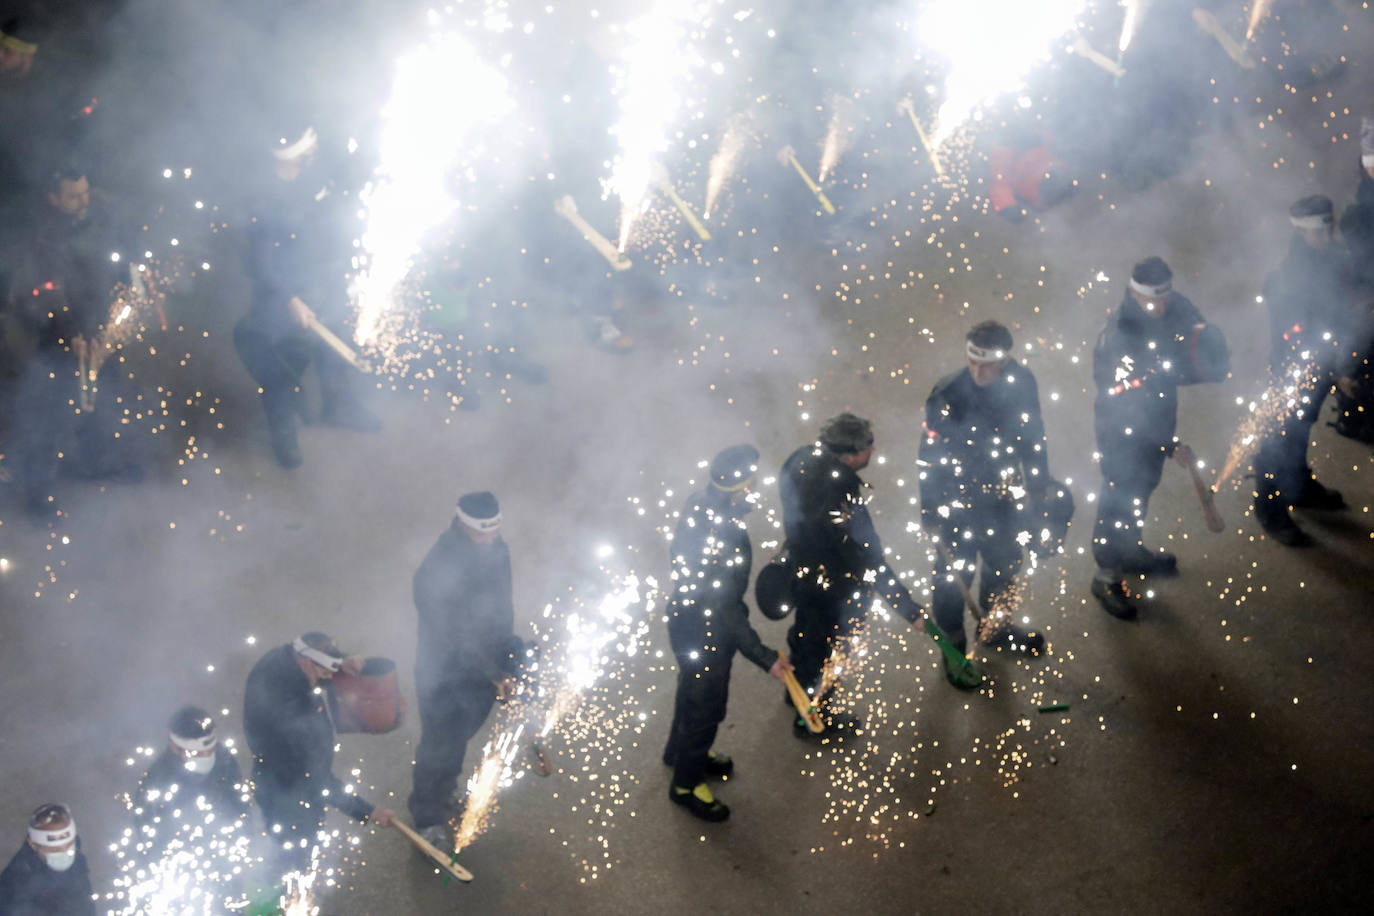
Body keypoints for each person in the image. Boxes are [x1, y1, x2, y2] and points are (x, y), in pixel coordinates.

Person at [780, 412, 974, 724]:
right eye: (867, 447)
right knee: (832, 647)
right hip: (834, 586)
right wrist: (908, 609)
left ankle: (797, 690)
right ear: (849, 456)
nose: (873, 451)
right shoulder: (839, 495)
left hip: (801, 572)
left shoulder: (799, 460)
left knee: (806, 632)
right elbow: (868, 560)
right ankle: (815, 715)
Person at [1090, 257, 1229, 618]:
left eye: (1165, 299)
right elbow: (1128, 404)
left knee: (1143, 487)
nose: (1162, 307)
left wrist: (1210, 356)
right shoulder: (1120, 337)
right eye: (1153, 301)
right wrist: (1168, 445)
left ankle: (1131, 549)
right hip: (1121, 429)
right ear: (1135, 294)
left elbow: (1195, 332)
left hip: (1159, 414)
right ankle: (1107, 575)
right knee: (1120, 497)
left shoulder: (1174, 304)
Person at [236, 126, 379, 469]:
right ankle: (282, 426)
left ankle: (338, 407)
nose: (315, 147)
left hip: (325, 277)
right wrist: (290, 298)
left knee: (335, 347)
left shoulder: (317, 173)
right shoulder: (264, 194)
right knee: (284, 360)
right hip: (283, 291)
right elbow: (258, 259)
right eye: (308, 144)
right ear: (290, 152)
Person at [662, 445, 792, 822]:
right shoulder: (727, 534)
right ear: (737, 489)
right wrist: (765, 657)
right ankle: (686, 784)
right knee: (707, 707)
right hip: (708, 632)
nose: (753, 492)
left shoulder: (698, 503)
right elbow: (726, 611)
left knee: (690, 687)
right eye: (749, 486)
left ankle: (678, 752)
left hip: (683, 621)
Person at [7, 162, 141, 519]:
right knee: (50, 411)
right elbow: (35, 292)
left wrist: (114, 326)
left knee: (107, 399)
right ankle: (36, 495)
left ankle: (99, 464)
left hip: (101, 330)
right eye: (73, 196)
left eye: (85, 192)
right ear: (54, 198)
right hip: (58, 333)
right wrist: (69, 335)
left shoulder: (104, 215)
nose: (83, 201)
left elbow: (123, 267)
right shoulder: (41, 235)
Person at [920, 321, 1057, 662]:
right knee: (953, 577)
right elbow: (928, 456)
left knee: (1005, 562)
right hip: (957, 498)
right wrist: (930, 510)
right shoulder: (946, 393)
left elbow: (1033, 438)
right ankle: (952, 644)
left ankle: (995, 627)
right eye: (972, 362)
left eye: (987, 364)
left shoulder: (1022, 384)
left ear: (1005, 360)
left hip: (1004, 494)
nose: (978, 372)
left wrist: (1038, 487)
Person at [409, 491, 523, 848]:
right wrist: (491, 672)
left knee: (458, 737)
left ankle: (446, 789)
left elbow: (503, 607)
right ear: (461, 524)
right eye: (482, 534)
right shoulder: (435, 571)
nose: (489, 541)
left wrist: (507, 656)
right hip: (443, 673)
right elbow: (450, 637)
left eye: (494, 533)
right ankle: (426, 815)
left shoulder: (497, 549)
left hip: (482, 671)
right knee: (438, 742)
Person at [1253, 196, 1364, 545]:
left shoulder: (1331, 259)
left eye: (1328, 227)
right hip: (1294, 368)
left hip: (1324, 363)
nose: (1326, 234)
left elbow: (1340, 313)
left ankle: (1299, 487)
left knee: (1300, 430)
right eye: (1319, 230)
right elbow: (1303, 335)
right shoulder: (1290, 278)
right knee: (1279, 438)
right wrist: (1338, 370)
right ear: (1301, 231)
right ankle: (1270, 511)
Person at [243, 632, 394, 873]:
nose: (326, 680)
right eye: (323, 674)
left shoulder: (284, 657)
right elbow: (318, 780)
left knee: (292, 843)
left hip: (276, 772)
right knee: (293, 847)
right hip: (287, 791)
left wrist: (343, 661)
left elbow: (318, 646)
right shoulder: (290, 712)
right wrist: (368, 812)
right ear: (305, 661)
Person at [132, 705, 249, 858]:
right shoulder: (156, 783)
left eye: (210, 750)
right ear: (175, 747)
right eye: (198, 754)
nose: (206, 756)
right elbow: (151, 842)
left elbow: (241, 810)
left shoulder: (224, 762)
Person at [0, 803, 95, 916]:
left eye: (69, 846)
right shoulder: (14, 887)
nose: (65, 854)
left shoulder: (75, 850)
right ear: (33, 844)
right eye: (55, 850)